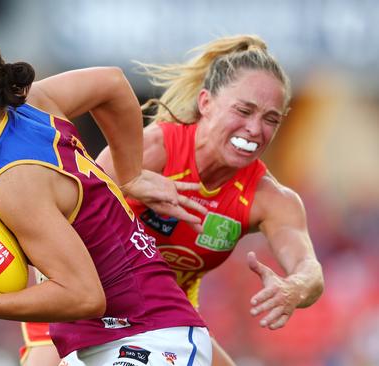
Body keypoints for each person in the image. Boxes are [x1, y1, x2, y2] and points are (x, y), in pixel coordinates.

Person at [0, 26, 212, 365]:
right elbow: (111, 83)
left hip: (148, 337)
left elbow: (83, 296)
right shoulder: (32, 106)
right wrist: (130, 174)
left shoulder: (14, 181)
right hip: (127, 339)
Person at [20, 35, 325, 366]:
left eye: (271, 119)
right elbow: (61, 219)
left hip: (166, 321)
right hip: (82, 303)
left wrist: (294, 288)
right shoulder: (151, 152)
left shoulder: (269, 198)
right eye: (244, 110)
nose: (255, 128)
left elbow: (310, 271)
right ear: (206, 103)